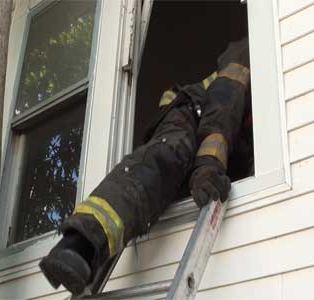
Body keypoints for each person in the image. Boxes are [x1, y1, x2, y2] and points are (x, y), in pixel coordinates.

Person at [39, 38, 250, 295]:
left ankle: (90, 256)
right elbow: (223, 106)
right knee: (165, 159)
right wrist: (208, 163)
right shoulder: (248, 51)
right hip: (190, 114)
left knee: (164, 182)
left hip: (208, 145)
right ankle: (77, 244)